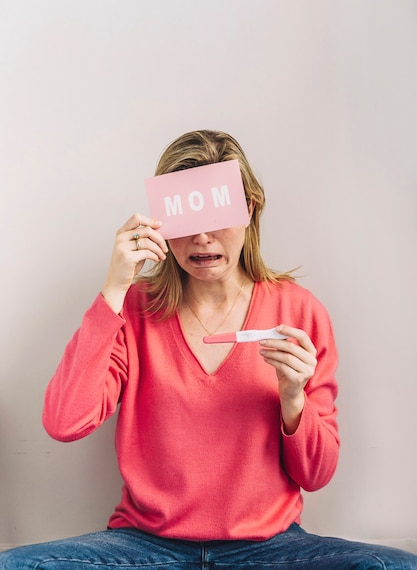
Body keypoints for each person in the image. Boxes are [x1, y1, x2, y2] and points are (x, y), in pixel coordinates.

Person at [1, 130, 416, 569]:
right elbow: (65, 422)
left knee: (395, 566)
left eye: (218, 214)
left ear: (250, 209)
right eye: (184, 217)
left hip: (269, 548)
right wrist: (113, 290)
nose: (202, 236)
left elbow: (316, 475)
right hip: (146, 547)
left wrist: (294, 400)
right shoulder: (135, 310)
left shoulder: (298, 311)